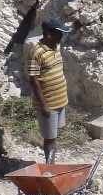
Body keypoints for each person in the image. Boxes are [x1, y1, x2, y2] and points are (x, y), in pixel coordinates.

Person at [26, 18, 71, 163]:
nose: (62, 36)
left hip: (59, 101)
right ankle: (50, 166)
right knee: (50, 138)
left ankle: (52, 162)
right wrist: (44, 104)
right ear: (49, 35)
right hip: (48, 104)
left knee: (54, 134)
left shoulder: (56, 46)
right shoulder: (37, 52)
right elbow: (33, 79)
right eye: (59, 33)